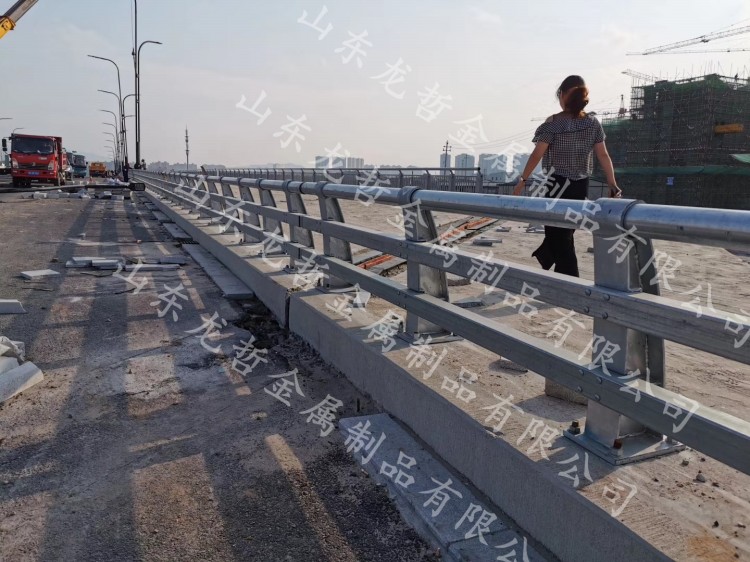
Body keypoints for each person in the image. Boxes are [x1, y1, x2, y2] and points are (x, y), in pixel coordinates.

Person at [512, 75, 621, 277]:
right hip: (580, 187)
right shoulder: (592, 123)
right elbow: (603, 155)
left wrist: (523, 180)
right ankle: (556, 269)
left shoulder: (553, 123)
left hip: (557, 185)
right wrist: (612, 183)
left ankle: (569, 279)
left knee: (559, 235)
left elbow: (537, 154)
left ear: (562, 95)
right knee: (565, 233)